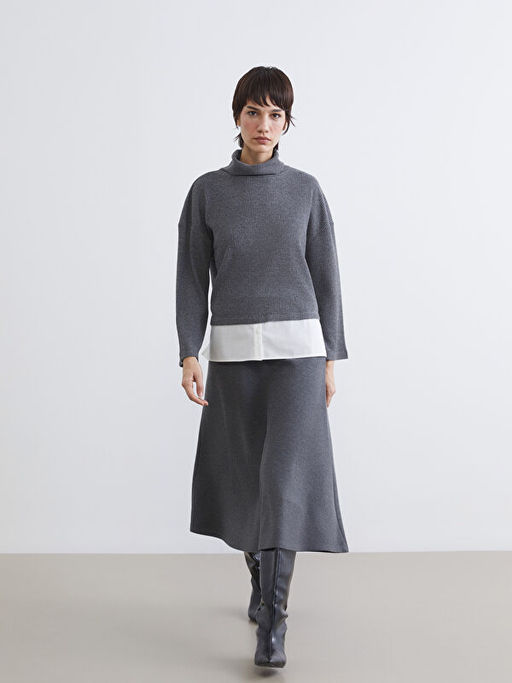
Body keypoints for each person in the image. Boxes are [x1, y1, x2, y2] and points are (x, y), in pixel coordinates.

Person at [175, 65, 350, 668]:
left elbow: (327, 278)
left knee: (283, 481)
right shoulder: (207, 192)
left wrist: (331, 357)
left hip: (299, 356)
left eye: (276, 114)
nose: (264, 124)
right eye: (254, 111)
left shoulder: (305, 190)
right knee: (245, 479)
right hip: (233, 356)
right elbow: (191, 278)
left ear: (287, 123)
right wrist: (189, 350)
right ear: (237, 116)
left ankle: (273, 622)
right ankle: (259, 578)